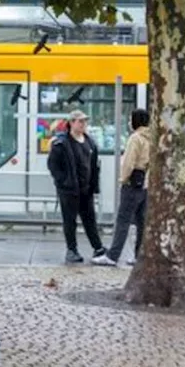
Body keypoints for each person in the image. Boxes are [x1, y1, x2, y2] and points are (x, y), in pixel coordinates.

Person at [47, 109, 107, 264]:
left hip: (86, 189)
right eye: (80, 121)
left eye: (85, 121)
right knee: (70, 220)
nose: (83, 124)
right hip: (69, 189)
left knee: (90, 219)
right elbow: (53, 165)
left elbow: (94, 166)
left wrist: (94, 186)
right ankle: (71, 250)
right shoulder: (61, 143)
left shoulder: (90, 142)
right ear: (71, 123)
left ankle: (98, 248)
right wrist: (62, 181)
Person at [94, 108, 150, 267]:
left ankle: (113, 255)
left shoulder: (136, 138)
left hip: (132, 184)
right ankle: (139, 255)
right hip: (145, 184)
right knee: (142, 222)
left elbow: (129, 162)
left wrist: (123, 179)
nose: (129, 122)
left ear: (136, 121)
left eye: (130, 118)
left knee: (123, 220)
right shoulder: (152, 137)